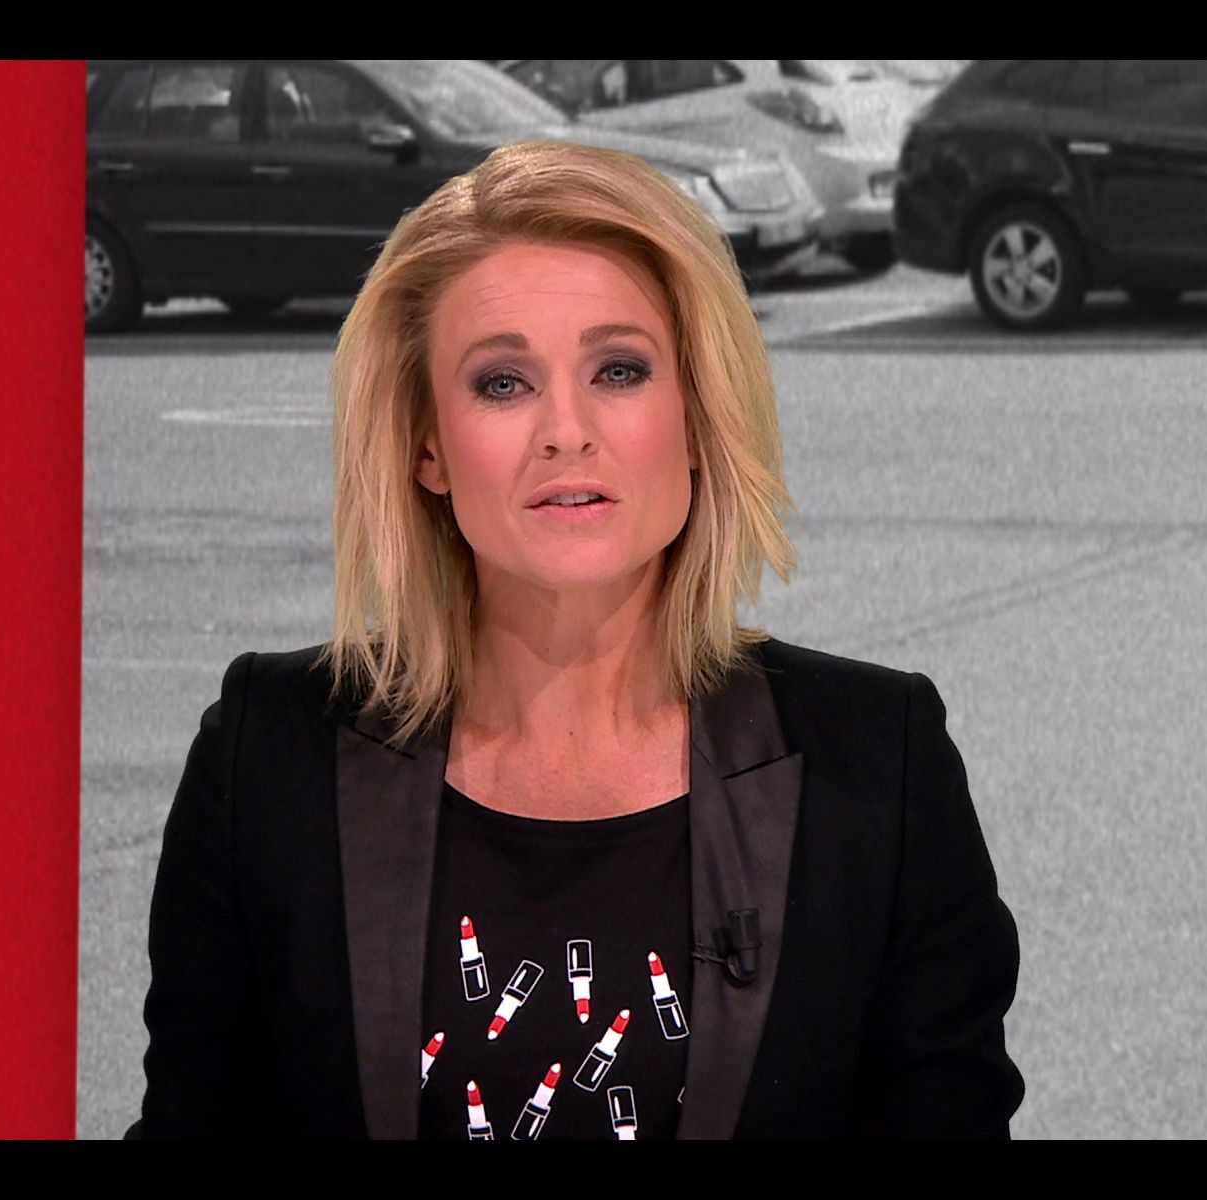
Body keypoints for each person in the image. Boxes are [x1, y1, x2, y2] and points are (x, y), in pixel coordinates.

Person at [126, 140, 1025, 1140]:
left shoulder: (880, 765)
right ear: (427, 444)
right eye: (503, 383)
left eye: (619, 370)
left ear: (697, 418)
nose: (566, 429)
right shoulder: (267, 759)